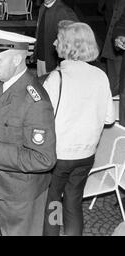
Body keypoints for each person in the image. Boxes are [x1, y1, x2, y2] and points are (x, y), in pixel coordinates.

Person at [0, 24, 57, 236]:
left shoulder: (35, 101)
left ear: (16, 60)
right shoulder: (1, 83)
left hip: (20, 194)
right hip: (2, 183)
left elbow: (44, 158)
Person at [42, 21, 115, 236]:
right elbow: (109, 118)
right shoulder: (100, 76)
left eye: (59, 39)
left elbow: (42, 118)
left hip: (59, 155)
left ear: (68, 46)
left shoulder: (57, 77)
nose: (55, 42)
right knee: (73, 202)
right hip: (86, 154)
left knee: (53, 200)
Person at [34, 0, 78, 77]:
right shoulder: (42, 8)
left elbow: (77, 33)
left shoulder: (63, 11)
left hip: (53, 61)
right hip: (41, 57)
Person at [108, 0, 125, 125]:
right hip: (115, 48)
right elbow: (118, 23)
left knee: (119, 87)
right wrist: (116, 38)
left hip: (120, 54)